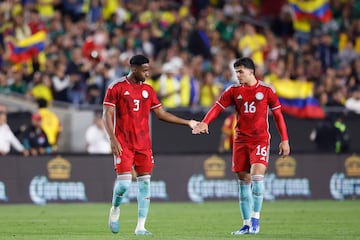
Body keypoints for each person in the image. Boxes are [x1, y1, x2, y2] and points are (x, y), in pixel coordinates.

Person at [192, 57, 290, 235]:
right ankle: (246, 224)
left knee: (257, 176)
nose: (237, 75)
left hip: (259, 140)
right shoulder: (233, 91)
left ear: (251, 72)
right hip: (240, 141)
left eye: (240, 72)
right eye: (236, 72)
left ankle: (255, 219)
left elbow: (278, 116)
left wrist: (284, 139)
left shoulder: (267, 90)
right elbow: (217, 107)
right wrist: (205, 122)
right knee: (243, 182)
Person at [102, 55, 198, 236]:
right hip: (123, 143)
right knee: (123, 184)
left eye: (149, 69)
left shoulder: (148, 90)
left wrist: (188, 123)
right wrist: (112, 138)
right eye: (145, 70)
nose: (148, 73)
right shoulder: (116, 87)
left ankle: (140, 227)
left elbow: (161, 114)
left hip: (144, 145)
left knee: (145, 183)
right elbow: (107, 113)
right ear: (134, 69)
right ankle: (115, 209)